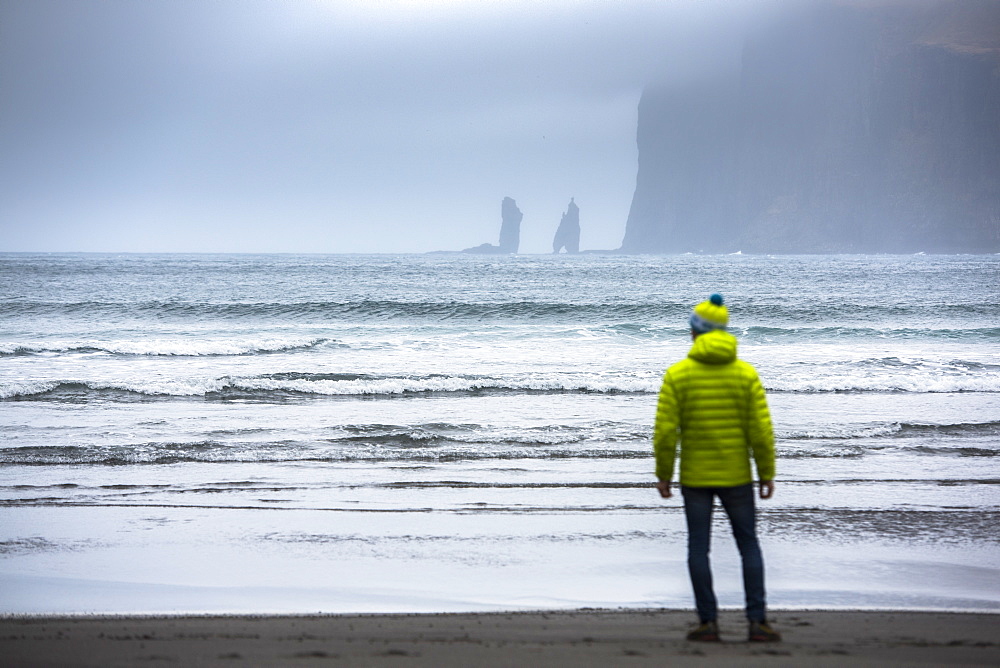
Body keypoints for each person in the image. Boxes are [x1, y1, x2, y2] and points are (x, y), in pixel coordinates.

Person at [653, 293, 781, 643]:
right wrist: (766, 472)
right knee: (749, 545)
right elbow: (761, 430)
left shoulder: (678, 375)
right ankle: (758, 622)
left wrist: (664, 475)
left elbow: (666, 432)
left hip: (695, 477)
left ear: (695, 332)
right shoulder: (745, 374)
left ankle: (708, 623)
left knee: (698, 548)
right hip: (737, 476)